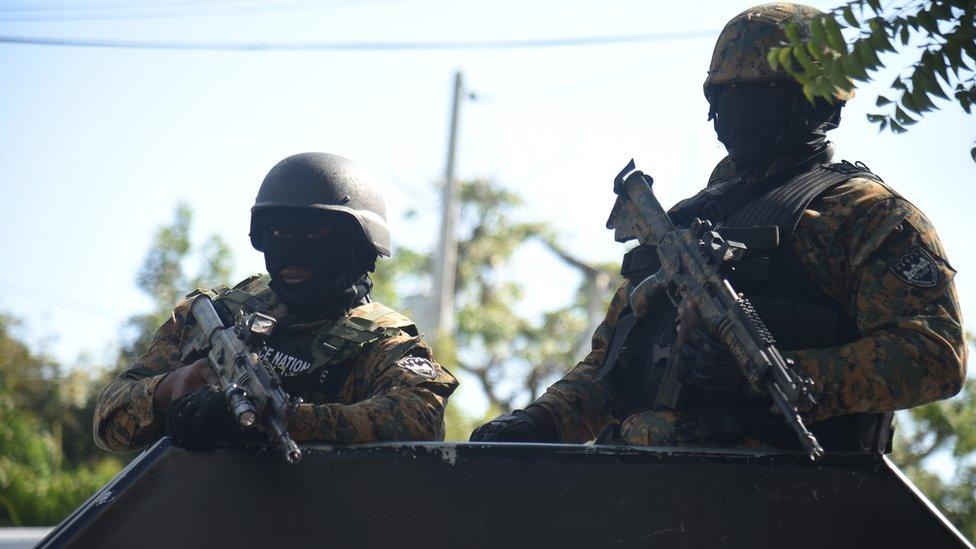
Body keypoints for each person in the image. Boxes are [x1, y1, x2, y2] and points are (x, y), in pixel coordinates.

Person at [471, 3, 966, 452]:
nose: (737, 107)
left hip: (788, 497)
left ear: (821, 105)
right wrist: (539, 421)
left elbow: (935, 355)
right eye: (725, 92)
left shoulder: (866, 215)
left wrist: (783, 376)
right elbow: (611, 367)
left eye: (764, 92)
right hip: (634, 489)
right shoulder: (683, 221)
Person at [94, 152, 458, 453]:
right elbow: (109, 424)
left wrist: (282, 420)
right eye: (281, 233)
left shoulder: (383, 344)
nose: (294, 250)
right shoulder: (213, 315)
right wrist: (172, 387)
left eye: (316, 235)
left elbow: (419, 417)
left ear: (359, 246)